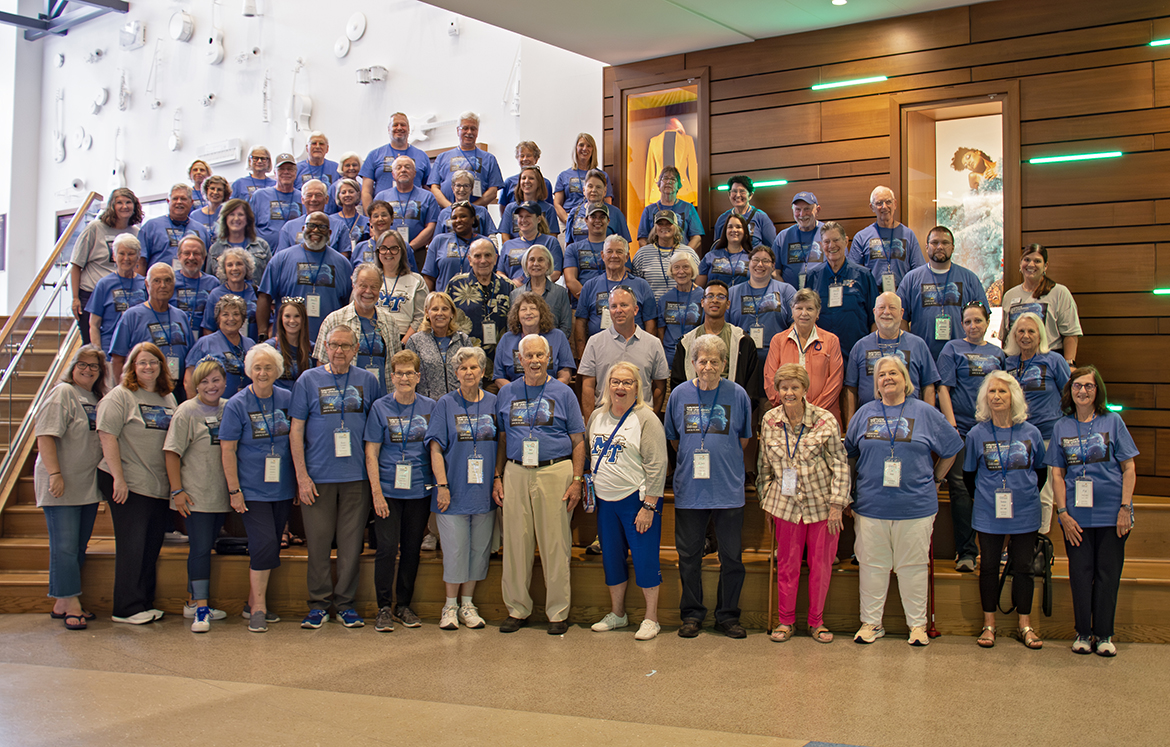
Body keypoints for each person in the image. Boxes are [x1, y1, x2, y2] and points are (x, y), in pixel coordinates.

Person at [844, 355, 963, 646]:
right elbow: (848, 455)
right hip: (871, 505)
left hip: (915, 505)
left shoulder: (924, 412)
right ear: (876, 383)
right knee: (872, 565)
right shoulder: (864, 414)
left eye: (894, 373)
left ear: (906, 379)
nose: (887, 378)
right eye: (882, 374)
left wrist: (936, 479)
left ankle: (917, 626)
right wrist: (846, 492)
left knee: (913, 566)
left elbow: (951, 448)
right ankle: (871, 623)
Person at [493, 334, 586, 634]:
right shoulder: (507, 394)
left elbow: (578, 441)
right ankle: (517, 609)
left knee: (555, 544)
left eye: (540, 355)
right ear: (518, 360)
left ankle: (557, 613)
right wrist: (498, 476)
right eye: (528, 356)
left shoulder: (564, 393)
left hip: (554, 471)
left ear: (549, 359)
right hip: (517, 472)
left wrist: (576, 481)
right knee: (516, 543)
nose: (534, 361)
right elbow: (503, 439)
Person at [290, 325, 380, 630]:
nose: (339, 351)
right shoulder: (308, 380)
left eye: (345, 346)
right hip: (318, 477)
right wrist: (302, 477)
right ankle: (317, 605)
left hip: (356, 477)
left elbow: (375, 432)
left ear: (356, 350)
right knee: (317, 545)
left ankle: (345, 604)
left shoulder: (368, 381)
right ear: (324, 348)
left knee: (351, 545)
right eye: (333, 345)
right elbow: (296, 430)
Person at [665, 335, 753, 638]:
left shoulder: (738, 394)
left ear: (724, 364)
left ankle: (728, 616)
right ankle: (691, 614)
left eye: (715, 361)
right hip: (690, 489)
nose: (708, 366)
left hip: (727, 489)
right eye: (702, 360)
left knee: (732, 557)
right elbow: (674, 439)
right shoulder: (678, 395)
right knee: (688, 557)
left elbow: (743, 439)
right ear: (693, 363)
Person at [1048, 366, 1139, 657]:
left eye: (1088, 386)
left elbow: (1129, 468)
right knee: (1080, 573)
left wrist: (1126, 508)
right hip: (1076, 518)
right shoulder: (1061, 426)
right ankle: (1082, 634)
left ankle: (1104, 635)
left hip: (1113, 515)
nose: (1083, 391)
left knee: (1107, 574)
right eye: (1077, 386)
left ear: (1097, 390)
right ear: (1070, 391)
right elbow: (1058, 475)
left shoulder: (1113, 422)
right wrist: (1062, 513)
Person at [757, 363, 849, 643]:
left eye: (794, 387)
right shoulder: (770, 420)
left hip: (822, 505)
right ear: (777, 390)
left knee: (820, 566)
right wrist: (766, 502)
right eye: (783, 387)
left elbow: (840, 464)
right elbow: (763, 468)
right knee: (787, 565)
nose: (789, 392)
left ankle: (816, 622)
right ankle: (785, 621)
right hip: (785, 506)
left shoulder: (824, 420)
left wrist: (837, 504)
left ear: (805, 390)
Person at [962, 371, 1047, 649]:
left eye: (1003, 392)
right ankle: (989, 625)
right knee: (988, 567)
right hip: (988, 512)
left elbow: (1041, 473)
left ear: (1014, 397)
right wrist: (987, 499)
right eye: (992, 392)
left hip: (1025, 512)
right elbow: (968, 477)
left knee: (1024, 567)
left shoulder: (1031, 433)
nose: (997, 397)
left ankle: (1025, 624)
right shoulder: (977, 434)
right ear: (985, 398)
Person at [96, 342, 178, 624]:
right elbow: (106, 435)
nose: (148, 367)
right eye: (142, 363)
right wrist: (119, 478)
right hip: (127, 481)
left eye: (153, 362)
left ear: (161, 366)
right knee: (132, 545)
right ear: (132, 366)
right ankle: (125, 608)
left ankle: (143, 602)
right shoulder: (120, 397)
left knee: (150, 545)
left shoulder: (167, 397)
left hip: (156, 483)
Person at [587, 361, 668, 641]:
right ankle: (618, 614)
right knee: (612, 559)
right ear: (607, 386)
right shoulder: (597, 416)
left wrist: (649, 506)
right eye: (615, 382)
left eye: (627, 382)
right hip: (606, 503)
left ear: (638, 387)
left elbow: (658, 466)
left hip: (636, 502)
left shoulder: (646, 419)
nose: (620, 387)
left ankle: (651, 618)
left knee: (645, 559)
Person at [220, 344, 295, 632]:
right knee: (263, 544)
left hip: (283, 488)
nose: (263, 372)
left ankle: (250, 602)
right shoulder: (237, 404)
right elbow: (227, 450)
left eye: (268, 367)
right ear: (249, 370)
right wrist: (234, 490)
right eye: (257, 367)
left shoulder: (288, 399)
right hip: (251, 489)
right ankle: (260, 609)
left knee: (272, 544)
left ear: (278, 371)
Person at [35, 345, 107, 630]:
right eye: (82, 364)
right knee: (63, 547)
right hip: (61, 483)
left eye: (94, 366)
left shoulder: (96, 397)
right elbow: (45, 435)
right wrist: (55, 473)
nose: (88, 370)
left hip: (86, 485)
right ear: (72, 366)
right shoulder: (62, 392)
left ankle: (62, 601)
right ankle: (72, 602)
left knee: (77, 546)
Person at [425, 346, 497, 630]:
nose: (468, 372)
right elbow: (435, 448)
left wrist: (498, 477)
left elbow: (501, 441)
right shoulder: (445, 403)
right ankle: (450, 606)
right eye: (463, 368)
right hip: (452, 490)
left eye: (473, 367)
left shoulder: (493, 401)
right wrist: (441, 485)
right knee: (455, 550)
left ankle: (468, 604)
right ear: (456, 373)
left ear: (482, 371)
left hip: (483, 492)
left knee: (478, 550)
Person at [364, 349, 435, 631]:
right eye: (399, 373)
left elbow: (436, 450)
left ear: (418, 376)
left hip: (419, 491)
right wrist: (377, 493)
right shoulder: (380, 407)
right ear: (391, 376)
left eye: (410, 373)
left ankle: (403, 605)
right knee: (386, 549)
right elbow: (371, 453)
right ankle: (383, 607)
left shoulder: (430, 407)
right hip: (388, 492)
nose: (404, 378)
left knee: (411, 550)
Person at [163, 359, 230, 633]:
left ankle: (194, 600)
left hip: (220, 495)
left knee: (207, 546)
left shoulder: (229, 408)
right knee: (200, 549)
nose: (210, 386)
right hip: (194, 496)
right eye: (204, 381)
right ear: (194, 384)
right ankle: (200, 607)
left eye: (215, 380)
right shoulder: (186, 411)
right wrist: (177, 491)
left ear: (225, 382)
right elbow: (171, 452)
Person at [938, 301, 1006, 572]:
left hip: (993, 432)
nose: (973, 326)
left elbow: (1005, 391)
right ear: (961, 324)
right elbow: (944, 389)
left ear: (987, 323)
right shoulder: (951, 349)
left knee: (992, 487)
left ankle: (996, 550)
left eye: (978, 321)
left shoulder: (998, 354)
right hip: (963, 431)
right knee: (961, 490)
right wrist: (952, 427)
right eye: (967, 321)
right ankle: (966, 550)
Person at [1004, 311, 1071, 533]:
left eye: (1031, 331)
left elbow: (1068, 394)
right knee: (1017, 488)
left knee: (1044, 491)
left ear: (1040, 335)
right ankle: (1015, 541)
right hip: (1016, 436)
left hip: (1047, 436)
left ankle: (1039, 540)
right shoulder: (1008, 363)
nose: (1025, 335)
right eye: (1020, 331)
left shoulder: (1054, 360)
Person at [256, 211, 353, 346]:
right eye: (311, 225)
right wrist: (263, 333)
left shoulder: (343, 264)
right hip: (287, 342)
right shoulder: (280, 259)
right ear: (303, 229)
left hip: (329, 344)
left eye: (322, 227)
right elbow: (264, 296)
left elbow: (348, 305)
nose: (316, 230)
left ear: (330, 233)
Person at [844, 292, 939, 425]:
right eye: (882, 308)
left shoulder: (918, 345)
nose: (886, 312)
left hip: (911, 421)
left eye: (892, 308)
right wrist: (851, 424)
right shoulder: (860, 346)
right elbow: (851, 389)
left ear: (901, 313)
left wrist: (929, 422)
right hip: (870, 423)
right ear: (874, 312)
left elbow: (928, 386)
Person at [897, 225, 990, 361]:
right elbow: (901, 317)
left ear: (952, 247)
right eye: (934, 243)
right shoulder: (911, 279)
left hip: (961, 357)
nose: (940, 247)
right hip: (923, 357)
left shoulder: (969, 278)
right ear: (926, 247)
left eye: (945, 243)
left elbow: (984, 316)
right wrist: (911, 346)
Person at [580, 286, 670, 422]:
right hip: (604, 419)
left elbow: (660, 387)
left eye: (623, 305)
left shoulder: (653, 343)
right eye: (613, 306)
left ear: (635, 310)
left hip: (641, 419)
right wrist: (590, 423)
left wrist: (651, 418)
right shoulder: (594, 342)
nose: (618, 310)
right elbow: (587, 387)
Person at [314, 263, 404, 393]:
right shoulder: (334, 321)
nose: (368, 291)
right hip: (347, 400)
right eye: (363, 286)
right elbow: (322, 364)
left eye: (374, 287)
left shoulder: (390, 323)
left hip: (382, 399)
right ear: (353, 285)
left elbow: (396, 365)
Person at [108, 263, 195, 395]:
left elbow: (190, 358)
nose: (163, 286)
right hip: (142, 391)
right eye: (157, 281)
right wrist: (123, 393)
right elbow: (117, 359)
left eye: (168, 280)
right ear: (147, 285)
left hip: (177, 390)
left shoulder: (181, 316)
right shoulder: (132, 316)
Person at [71, 188, 143, 345]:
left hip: (123, 293)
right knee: (92, 343)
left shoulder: (135, 231)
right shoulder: (95, 227)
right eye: (119, 203)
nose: (124, 206)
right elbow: (76, 264)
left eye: (128, 202)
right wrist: (75, 298)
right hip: (91, 293)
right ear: (112, 206)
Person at [804, 221, 879, 369]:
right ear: (821, 245)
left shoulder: (863, 275)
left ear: (846, 241)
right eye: (827, 241)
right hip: (822, 354)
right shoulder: (813, 276)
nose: (832, 245)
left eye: (836, 240)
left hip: (856, 353)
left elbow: (875, 319)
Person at [763, 288, 845, 423]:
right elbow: (770, 380)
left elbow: (835, 381)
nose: (804, 313)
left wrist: (812, 412)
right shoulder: (778, 340)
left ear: (818, 313)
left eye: (810, 309)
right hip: (786, 415)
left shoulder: (831, 341)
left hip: (823, 417)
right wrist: (791, 409)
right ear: (792, 311)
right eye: (799, 308)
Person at [670, 280, 761, 395]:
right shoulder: (686, 342)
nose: (715, 300)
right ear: (702, 302)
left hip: (730, 403)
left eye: (721, 297)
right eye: (710, 296)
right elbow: (678, 383)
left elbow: (751, 386)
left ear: (728, 304)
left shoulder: (742, 341)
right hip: (695, 404)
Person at [1000, 244, 1081, 366]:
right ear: (1020, 263)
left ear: (1045, 266)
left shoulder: (1059, 292)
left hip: (1049, 363)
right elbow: (1005, 336)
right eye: (1027, 260)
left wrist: (1069, 364)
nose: (1031, 265)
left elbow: (1070, 334)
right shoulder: (1009, 295)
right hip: (1016, 364)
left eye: (1037, 261)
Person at [575, 236, 657, 351]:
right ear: (603, 255)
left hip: (635, 349)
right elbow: (580, 323)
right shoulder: (589, 286)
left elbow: (650, 323)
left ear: (627, 256)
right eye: (610, 252)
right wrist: (581, 354)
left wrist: (648, 350)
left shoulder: (642, 285)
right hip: (599, 350)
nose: (614, 256)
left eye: (619, 252)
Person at [447, 239, 512, 375]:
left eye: (488, 255)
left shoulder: (508, 286)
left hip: (499, 367)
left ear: (495, 259)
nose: (483, 260)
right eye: (477, 256)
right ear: (470, 260)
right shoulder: (455, 285)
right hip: (465, 367)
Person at [848, 185, 924, 294]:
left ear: (895, 204)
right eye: (879, 203)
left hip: (902, 295)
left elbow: (918, 270)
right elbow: (853, 273)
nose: (884, 207)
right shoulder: (861, 237)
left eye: (888, 202)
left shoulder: (908, 235)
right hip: (872, 296)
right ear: (872, 207)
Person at [493, 292, 574, 386]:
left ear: (541, 313)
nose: (528, 313)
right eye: (523, 309)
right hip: (516, 394)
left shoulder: (558, 336)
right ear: (517, 315)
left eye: (533, 308)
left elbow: (565, 374)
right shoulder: (506, 339)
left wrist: (550, 391)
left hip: (550, 393)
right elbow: (499, 377)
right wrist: (515, 392)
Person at [728, 244, 796, 356]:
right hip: (741, 355)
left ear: (773, 266)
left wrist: (785, 345)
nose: (760, 264)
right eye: (755, 260)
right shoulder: (732, 293)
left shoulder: (786, 290)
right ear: (748, 263)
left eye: (765, 261)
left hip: (778, 355)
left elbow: (796, 321)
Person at [372, 156, 439, 267]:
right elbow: (374, 225)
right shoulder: (381, 196)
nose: (403, 170)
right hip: (387, 253)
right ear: (393, 174)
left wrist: (409, 247)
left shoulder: (427, 197)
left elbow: (431, 226)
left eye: (407, 167)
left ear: (414, 173)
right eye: (399, 167)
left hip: (417, 252)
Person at [406, 291, 474, 400]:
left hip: (459, 404)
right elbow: (409, 378)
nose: (440, 313)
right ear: (427, 313)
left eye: (445, 309)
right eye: (435, 309)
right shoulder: (415, 341)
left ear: (452, 313)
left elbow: (474, 374)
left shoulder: (463, 340)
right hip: (428, 406)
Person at [428, 112, 504, 208]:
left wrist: (470, 209)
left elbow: (493, 191)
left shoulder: (489, 159)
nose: (469, 132)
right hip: (447, 213)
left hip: (476, 215)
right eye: (465, 128)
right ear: (457, 131)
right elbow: (434, 188)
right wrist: (451, 208)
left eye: (473, 128)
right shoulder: (442, 157)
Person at [85, 234, 146, 354]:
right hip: (110, 351)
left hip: (139, 352)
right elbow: (94, 324)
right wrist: (98, 354)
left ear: (138, 256)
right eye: (122, 253)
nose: (126, 258)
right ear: (114, 256)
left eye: (131, 254)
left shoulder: (145, 284)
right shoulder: (104, 284)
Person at [187, 293, 254, 397]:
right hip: (212, 407)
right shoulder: (205, 343)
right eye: (225, 314)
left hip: (243, 406)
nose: (231, 318)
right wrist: (195, 409)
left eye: (236, 314)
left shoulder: (250, 344)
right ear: (218, 318)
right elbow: (189, 379)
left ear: (243, 318)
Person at [361, 112, 431, 210]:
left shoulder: (422, 156)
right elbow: (366, 192)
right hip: (382, 216)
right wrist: (370, 219)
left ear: (409, 129)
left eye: (403, 125)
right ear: (389, 129)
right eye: (395, 125)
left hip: (414, 214)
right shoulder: (374, 155)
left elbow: (428, 188)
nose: (399, 128)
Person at [137, 183, 209, 274]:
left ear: (191, 202)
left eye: (183, 199)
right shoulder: (151, 226)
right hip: (160, 283)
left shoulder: (201, 230)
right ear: (168, 201)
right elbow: (141, 261)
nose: (179, 202)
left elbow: (207, 263)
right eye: (175, 198)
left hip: (194, 285)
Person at [372, 230, 427, 343]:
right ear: (378, 252)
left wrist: (402, 344)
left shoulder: (416, 280)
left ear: (402, 252)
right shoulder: (370, 278)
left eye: (394, 248)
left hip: (405, 339)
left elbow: (421, 317)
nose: (388, 252)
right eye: (383, 248)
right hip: (372, 338)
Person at [422, 201, 489, 293]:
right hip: (445, 302)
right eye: (454, 218)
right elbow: (429, 277)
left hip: (476, 299)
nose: (458, 220)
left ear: (473, 219)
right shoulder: (439, 241)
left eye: (463, 216)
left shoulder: (484, 243)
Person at [632, 211, 698, 301]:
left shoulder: (689, 253)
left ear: (676, 227)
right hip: (651, 311)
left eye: (668, 223)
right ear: (655, 228)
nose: (664, 227)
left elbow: (697, 282)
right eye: (660, 224)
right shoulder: (642, 254)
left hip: (684, 308)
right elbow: (636, 286)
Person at [509, 244, 572, 337]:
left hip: (552, 347)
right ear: (526, 264)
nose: (535, 264)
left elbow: (565, 327)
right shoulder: (515, 294)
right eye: (532, 259)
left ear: (548, 264)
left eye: (541, 260)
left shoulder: (560, 293)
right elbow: (512, 327)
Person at [656, 251, 705, 370]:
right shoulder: (665, 299)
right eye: (676, 267)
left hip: (696, 359)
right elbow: (661, 332)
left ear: (692, 270)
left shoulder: (703, 296)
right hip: (670, 360)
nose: (681, 271)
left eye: (685, 267)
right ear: (671, 271)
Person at [636, 166, 702, 250]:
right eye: (665, 178)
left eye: (673, 179)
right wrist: (652, 255)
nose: (669, 182)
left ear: (679, 185)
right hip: (656, 257)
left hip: (681, 258)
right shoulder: (649, 210)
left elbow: (696, 237)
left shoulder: (688, 208)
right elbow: (642, 239)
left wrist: (684, 254)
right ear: (659, 184)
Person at [275, 180, 349, 255]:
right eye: (309, 195)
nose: (313, 199)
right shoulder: (289, 227)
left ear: (326, 199)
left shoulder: (339, 226)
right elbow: (281, 257)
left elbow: (343, 258)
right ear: (302, 200)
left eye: (318, 195)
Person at [207, 198, 271, 283]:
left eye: (240, 214)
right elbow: (209, 281)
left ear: (247, 219)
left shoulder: (262, 246)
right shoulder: (215, 248)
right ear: (225, 218)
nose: (236, 218)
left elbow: (269, 279)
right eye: (231, 214)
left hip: (255, 295)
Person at [564, 202, 617, 302]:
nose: (598, 220)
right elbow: (570, 280)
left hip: (613, 305)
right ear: (586, 220)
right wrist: (590, 300)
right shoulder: (572, 248)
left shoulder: (618, 247)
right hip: (582, 304)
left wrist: (608, 300)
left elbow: (624, 275)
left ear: (608, 221)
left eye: (602, 217)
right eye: (593, 217)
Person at [498, 201, 563, 283]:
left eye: (528, 216)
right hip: (513, 292)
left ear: (538, 219)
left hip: (542, 292)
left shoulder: (550, 242)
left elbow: (556, 272)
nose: (523, 220)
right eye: (520, 216)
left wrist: (537, 285)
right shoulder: (508, 245)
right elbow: (500, 273)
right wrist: (511, 284)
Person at [554, 133, 613, 222]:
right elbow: (557, 204)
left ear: (593, 150)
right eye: (581, 145)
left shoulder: (602, 176)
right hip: (568, 219)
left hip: (595, 219)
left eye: (589, 146)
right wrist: (568, 220)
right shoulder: (564, 175)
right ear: (576, 148)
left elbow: (608, 203)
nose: (585, 149)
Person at [249, 152, 302, 250]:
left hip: (294, 255)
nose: (286, 172)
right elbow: (249, 227)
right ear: (275, 173)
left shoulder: (302, 197)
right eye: (281, 169)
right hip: (264, 255)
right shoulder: (260, 196)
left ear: (295, 173)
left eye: (290, 169)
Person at [562, 170, 629, 247]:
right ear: (584, 190)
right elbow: (568, 244)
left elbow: (625, 247)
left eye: (598, 187)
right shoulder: (574, 213)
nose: (594, 190)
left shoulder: (616, 214)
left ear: (605, 191)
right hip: (578, 258)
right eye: (590, 186)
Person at [203, 248, 258, 340]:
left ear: (247, 267)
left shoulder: (256, 292)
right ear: (224, 269)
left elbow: (268, 324)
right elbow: (208, 328)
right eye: (229, 265)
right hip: (224, 349)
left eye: (239, 264)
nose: (235, 268)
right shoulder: (216, 294)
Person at [772, 191, 823, 289]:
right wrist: (787, 293)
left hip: (822, 297)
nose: (802, 214)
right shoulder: (783, 236)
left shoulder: (828, 233)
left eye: (807, 209)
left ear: (817, 210)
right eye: (797, 210)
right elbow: (774, 271)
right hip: (792, 299)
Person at [171, 236, 220, 335]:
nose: (191, 257)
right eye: (186, 253)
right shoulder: (171, 280)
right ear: (179, 256)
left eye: (196, 253)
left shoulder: (213, 283)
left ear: (203, 257)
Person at [712, 175, 776, 250]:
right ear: (729, 194)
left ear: (750, 195)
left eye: (742, 191)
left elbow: (772, 248)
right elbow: (717, 248)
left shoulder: (761, 217)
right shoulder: (722, 219)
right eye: (734, 191)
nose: (738, 195)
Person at [499, 167, 561, 239]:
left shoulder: (549, 209)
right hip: (516, 248)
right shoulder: (510, 208)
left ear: (538, 183)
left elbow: (552, 238)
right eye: (523, 178)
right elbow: (505, 237)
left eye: (531, 178)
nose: (526, 181)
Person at [435, 171, 497, 238]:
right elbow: (437, 240)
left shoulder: (482, 211)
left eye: (466, 186)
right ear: (453, 188)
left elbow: (491, 237)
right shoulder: (444, 213)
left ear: (471, 188)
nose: (462, 189)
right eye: (458, 185)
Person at [698, 214, 752, 288]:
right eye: (730, 227)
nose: (734, 230)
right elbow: (698, 289)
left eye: (738, 227)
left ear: (745, 232)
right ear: (725, 232)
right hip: (715, 298)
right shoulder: (710, 256)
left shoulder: (752, 258)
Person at [267, 299, 310, 392]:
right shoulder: (269, 348)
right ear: (281, 318)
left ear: (303, 319)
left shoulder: (312, 348)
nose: (292, 320)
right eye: (287, 316)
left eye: (297, 316)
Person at [350, 200, 395, 268]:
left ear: (392, 218)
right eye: (376, 216)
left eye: (384, 215)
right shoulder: (360, 248)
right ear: (370, 221)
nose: (380, 219)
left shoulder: (403, 247)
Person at [332, 178, 369, 255]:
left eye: (351, 192)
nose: (347, 195)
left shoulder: (367, 221)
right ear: (338, 196)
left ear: (358, 195)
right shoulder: (331, 220)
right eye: (343, 192)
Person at [189, 175, 229, 242]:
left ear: (224, 193)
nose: (215, 192)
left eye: (219, 190)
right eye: (212, 188)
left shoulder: (229, 214)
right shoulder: (195, 216)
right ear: (206, 191)